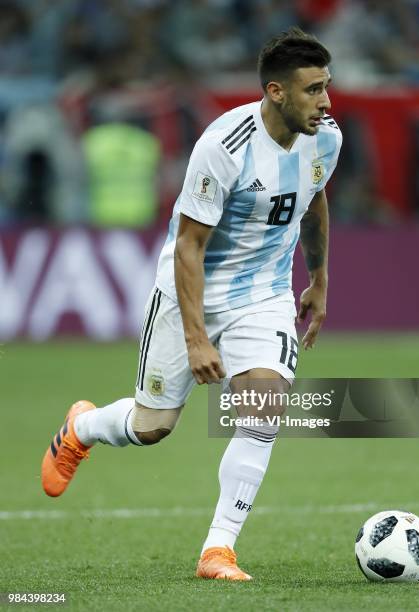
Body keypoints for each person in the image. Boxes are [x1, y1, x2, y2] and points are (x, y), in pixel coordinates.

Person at [41, 27, 342, 581]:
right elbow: (189, 246)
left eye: (327, 87)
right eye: (313, 90)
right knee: (153, 424)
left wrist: (319, 278)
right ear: (276, 92)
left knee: (264, 404)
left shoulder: (326, 136)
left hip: (265, 293)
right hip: (193, 290)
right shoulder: (222, 147)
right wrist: (198, 336)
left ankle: (218, 550)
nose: (325, 102)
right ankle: (81, 429)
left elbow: (314, 197)